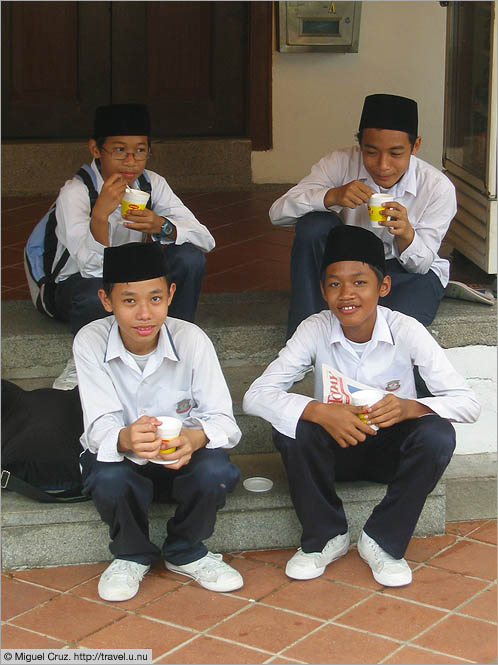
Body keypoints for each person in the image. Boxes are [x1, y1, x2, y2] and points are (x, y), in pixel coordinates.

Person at [242, 225, 479, 587]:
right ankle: (324, 537)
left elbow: (467, 404)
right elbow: (256, 395)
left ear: (383, 288)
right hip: (335, 451)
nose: (346, 294)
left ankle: (382, 541)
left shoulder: (407, 329)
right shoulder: (314, 328)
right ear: (323, 291)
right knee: (290, 425)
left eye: (359, 283)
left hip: (389, 454)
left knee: (437, 433)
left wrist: (409, 407)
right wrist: (318, 411)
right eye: (334, 284)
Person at [74, 241, 243, 601]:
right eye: (129, 301)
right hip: (127, 463)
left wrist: (194, 439)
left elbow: (225, 422)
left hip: (181, 461)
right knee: (107, 476)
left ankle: (186, 549)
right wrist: (126, 438)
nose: (144, 314)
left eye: (155, 299)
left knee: (216, 472)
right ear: (107, 301)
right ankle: (131, 553)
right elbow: (99, 427)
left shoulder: (192, 339)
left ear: (171, 295)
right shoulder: (90, 341)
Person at [52, 103, 214, 389]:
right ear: (95, 150)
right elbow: (91, 270)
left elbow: (205, 239)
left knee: (189, 258)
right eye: (119, 150)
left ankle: (174, 344)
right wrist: (100, 216)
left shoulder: (152, 184)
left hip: (132, 283)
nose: (131, 161)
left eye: (140, 150)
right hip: (76, 287)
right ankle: (83, 361)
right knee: (95, 293)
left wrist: (162, 226)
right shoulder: (77, 193)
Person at [269, 93, 457, 339]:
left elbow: (420, 265)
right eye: (371, 152)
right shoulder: (340, 163)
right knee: (313, 225)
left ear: (416, 146)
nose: (383, 165)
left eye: (396, 153)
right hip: (348, 264)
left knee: (395, 330)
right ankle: (304, 335)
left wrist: (407, 235)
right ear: (360, 145)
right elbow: (277, 213)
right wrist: (331, 196)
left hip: (404, 273)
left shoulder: (436, 187)